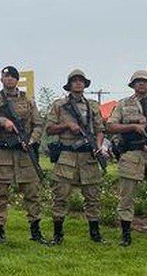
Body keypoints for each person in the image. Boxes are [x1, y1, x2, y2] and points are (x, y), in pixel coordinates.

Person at [106, 70, 147, 248]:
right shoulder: (123, 104)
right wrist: (133, 127)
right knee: (126, 196)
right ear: (133, 85)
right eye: (138, 81)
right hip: (131, 154)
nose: (141, 84)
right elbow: (111, 126)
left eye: (145, 81)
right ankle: (126, 235)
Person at [0, 65, 47, 244]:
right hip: (3, 152)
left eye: (12, 76)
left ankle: (36, 232)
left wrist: (32, 140)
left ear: (17, 80)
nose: (9, 79)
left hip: (24, 152)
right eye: (6, 76)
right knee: (0, 193)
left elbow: (38, 124)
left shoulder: (27, 100)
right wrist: (2, 121)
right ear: (2, 80)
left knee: (32, 193)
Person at [45, 69, 106, 245]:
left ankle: (95, 234)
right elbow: (49, 128)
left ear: (85, 84)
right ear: (69, 85)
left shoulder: (93, 106)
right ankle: (58, 235)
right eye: (75, 80)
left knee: (93, 197)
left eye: (81, 81)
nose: (78, 83)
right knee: (60, 196)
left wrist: (99, 146)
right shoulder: (59, 105)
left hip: (88, 155)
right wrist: (67, 125)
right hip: (67, 156)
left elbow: (100, 129)